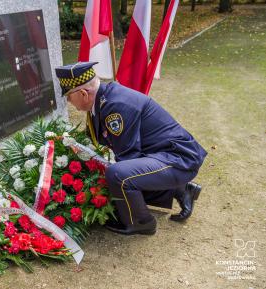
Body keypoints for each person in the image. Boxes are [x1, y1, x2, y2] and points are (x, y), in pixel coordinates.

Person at [55, 62, 207, 235]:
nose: (68, 101)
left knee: (118, 175)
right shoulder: (101, 100)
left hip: (178, 159)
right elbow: (92, 138)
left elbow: (129, 157)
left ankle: (141, 222)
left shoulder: (115, 106)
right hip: (163, 156)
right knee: (118, 177)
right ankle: (181, 189)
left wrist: (113, 193)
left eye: (68, 96)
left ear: (83, 93)